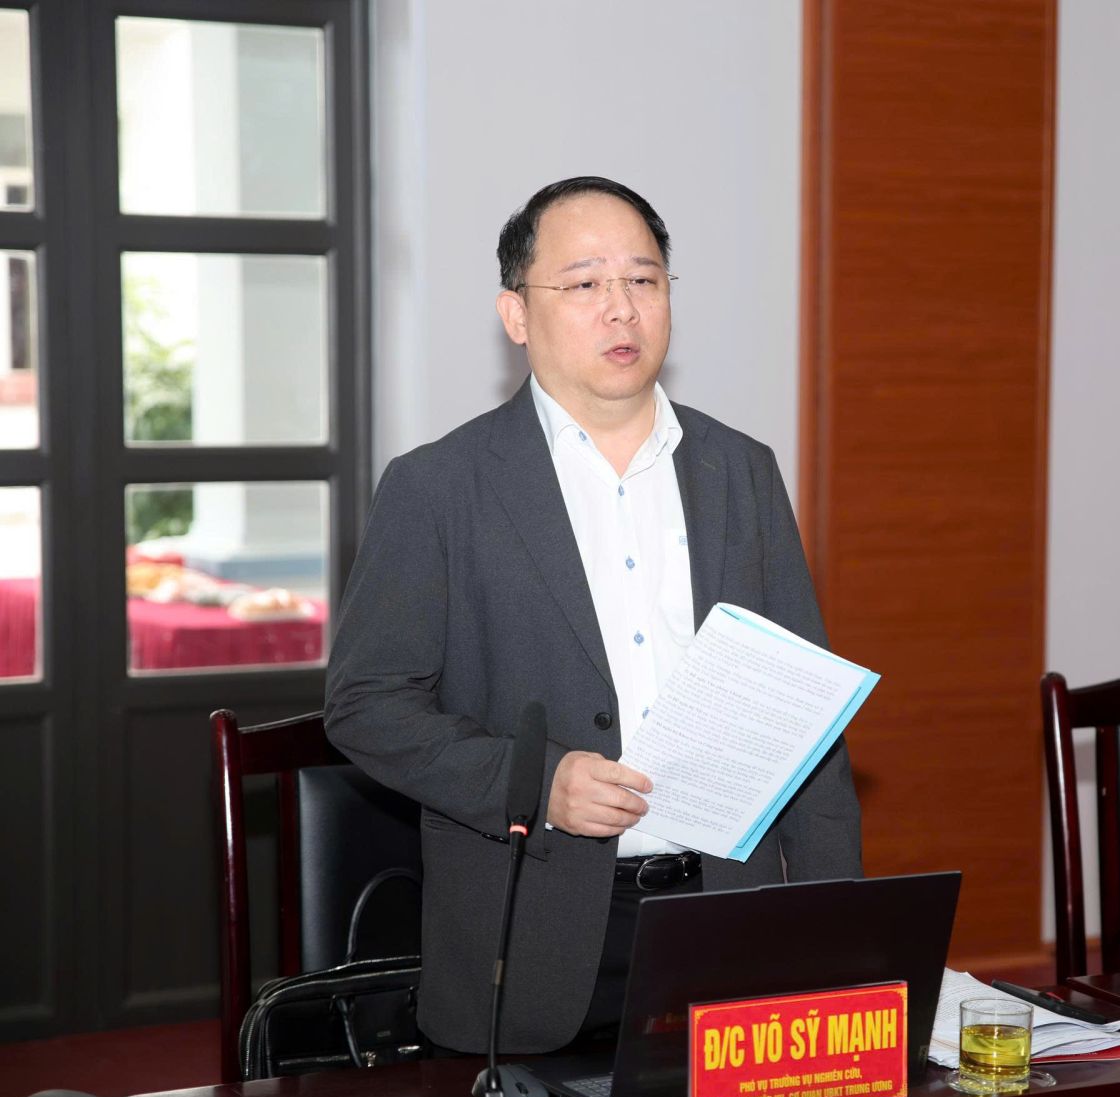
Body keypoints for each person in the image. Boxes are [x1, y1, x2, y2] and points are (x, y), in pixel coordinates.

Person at [325, 176, 863, 1053]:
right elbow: (366, 705)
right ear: (516, 313)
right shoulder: (438, 487)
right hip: (532, 936)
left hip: (727, 917)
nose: (622, 308)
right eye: (584, 284)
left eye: (644, 280)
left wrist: (837, 934)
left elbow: (804, 715)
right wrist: (536, 783)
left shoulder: (741, 470)